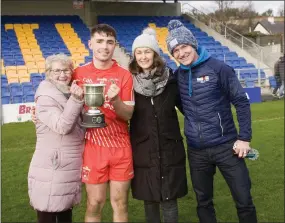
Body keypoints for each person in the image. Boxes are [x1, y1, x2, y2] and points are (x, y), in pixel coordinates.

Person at [166, 20, 257, 223]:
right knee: (203, 202)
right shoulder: (178, 76)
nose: (181, 53)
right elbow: (182, 105)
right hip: (196, 151)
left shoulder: (219, 68)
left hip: (227, 146)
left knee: (244, 200)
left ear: (193, 44)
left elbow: (241, 102)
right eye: (176, 50)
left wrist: (244, 138)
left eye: (184, 46)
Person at [73, 24, 135, 222]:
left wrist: (116, 101)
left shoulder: (124, 75)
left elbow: (127, 115)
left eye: (109, 42)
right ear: (90, 43)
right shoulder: (78, 74)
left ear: (115, 45)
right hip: (93, 147)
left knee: (120, 203)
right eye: (99, 41)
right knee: (94, 203)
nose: (104, 46)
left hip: (120, 147)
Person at [129, 28, 187, 223]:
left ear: (155, 54)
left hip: (170, 147)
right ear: (134, 55)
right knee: (150, 199)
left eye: (147, 51)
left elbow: (188, 107)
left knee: (169, 199)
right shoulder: (128, 83)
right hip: (143, 150)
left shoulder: (171, 79)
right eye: (139, 52)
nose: (143, 56)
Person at [28, 54, 85, 223]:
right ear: (48, 73)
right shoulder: (46, 97)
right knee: (48, 211)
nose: (62, 74)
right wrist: (76, 100)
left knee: (64, 211)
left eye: (66, 70)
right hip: (53, 166)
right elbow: (63, 126)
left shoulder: (65, 92)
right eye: (57, 71)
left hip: (65, 165)